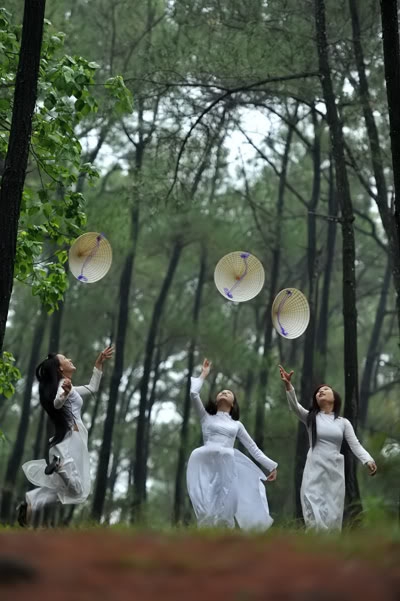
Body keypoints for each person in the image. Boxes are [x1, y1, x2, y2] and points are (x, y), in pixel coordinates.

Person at [17, 346, 113, 526]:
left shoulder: (68, 386)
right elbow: (57, 403)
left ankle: (32, 500)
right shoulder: (63, 385)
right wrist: (65, 394)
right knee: (77, 491)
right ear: (60, 368)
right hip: (72, 440)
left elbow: (92, 388)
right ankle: (60, 467)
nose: (70, 360)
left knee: (63, 487)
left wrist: (98, 364)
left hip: (71, 439)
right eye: (65, 359)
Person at [279, 365, 377, 531]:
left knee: (332, 513)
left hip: (334, 471)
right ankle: (314, 541)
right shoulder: (311, 418)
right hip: (314, 469)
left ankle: (329, 544)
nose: (321, 391)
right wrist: (288, 385)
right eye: (318, 392)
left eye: (325, 389)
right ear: (316, 400)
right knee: (312, 504)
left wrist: (368, 460)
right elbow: (295, 406)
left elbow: (355, 444)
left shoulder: (343, 422)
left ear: (335, 398)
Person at [186, 358, 278, 530]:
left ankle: (224, 536)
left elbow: (253, 448)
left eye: (228, 393)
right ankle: (206, 536)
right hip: (205, 462)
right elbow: (193, 394)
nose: (224, 392)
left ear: (233, 404)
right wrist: (203, 375)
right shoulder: (206, 417)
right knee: (206, 503)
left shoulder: (236, 425)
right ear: (216, 400)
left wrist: (271, 466)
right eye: (221, 392)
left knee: (227, 503)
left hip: (226, 465)